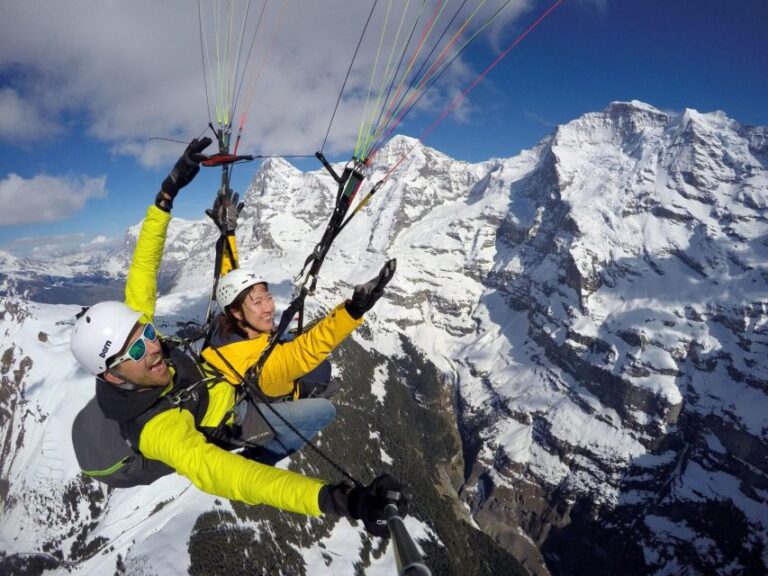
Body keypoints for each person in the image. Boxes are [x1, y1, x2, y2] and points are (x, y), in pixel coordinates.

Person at [69, 138, 406, 536]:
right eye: (138, 349)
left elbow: (146, 269)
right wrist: (340, 499)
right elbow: (229, 476)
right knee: (322, 408)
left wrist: (167, 194)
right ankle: (265, 452)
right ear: (112, 376)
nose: (153, 346)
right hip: (229, 420)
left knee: (311, 379)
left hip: (222, 384)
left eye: (147, 333)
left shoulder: (208, 325)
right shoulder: (160, 431)